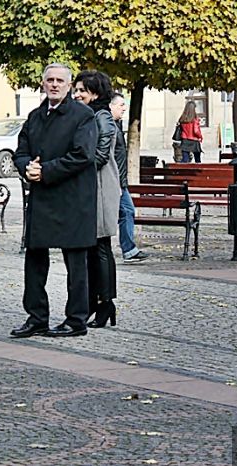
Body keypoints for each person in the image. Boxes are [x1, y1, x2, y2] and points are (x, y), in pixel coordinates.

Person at [10, 63, 98, 338]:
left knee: (76, 264)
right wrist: (26, 167)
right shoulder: (35, 116)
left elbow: (83, 155)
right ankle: (36, 317)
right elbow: (20, 150)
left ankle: (76, 320)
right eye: (50, 80)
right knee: (35, 260)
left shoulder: (83, 116)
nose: (55, 85)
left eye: (60, 81)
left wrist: (45, 171)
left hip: (73, 199)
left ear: (69, 86)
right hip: (42, 198)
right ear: (43, 83)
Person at [72, 70, 121, 328]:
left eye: (83, 90)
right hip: (92, 186)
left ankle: (105, 303)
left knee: (101, 246)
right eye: (76, 90)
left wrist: (71, 167)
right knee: (93, 247)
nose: (77, 94)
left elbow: (100, 155)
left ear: (96, 93)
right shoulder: (88, 115)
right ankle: (95, 301)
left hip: (101, 187)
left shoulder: (102, 116)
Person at [110, 92, 148, 263]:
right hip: (115, 180)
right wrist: (117, 182)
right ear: (111, 106)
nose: (124, 108)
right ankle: (128, 250)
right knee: (126, 211)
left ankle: (129, 249)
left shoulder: (116, 125)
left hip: (119, 180)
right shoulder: (109, 126)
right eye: (121, 105)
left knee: (126, 211)